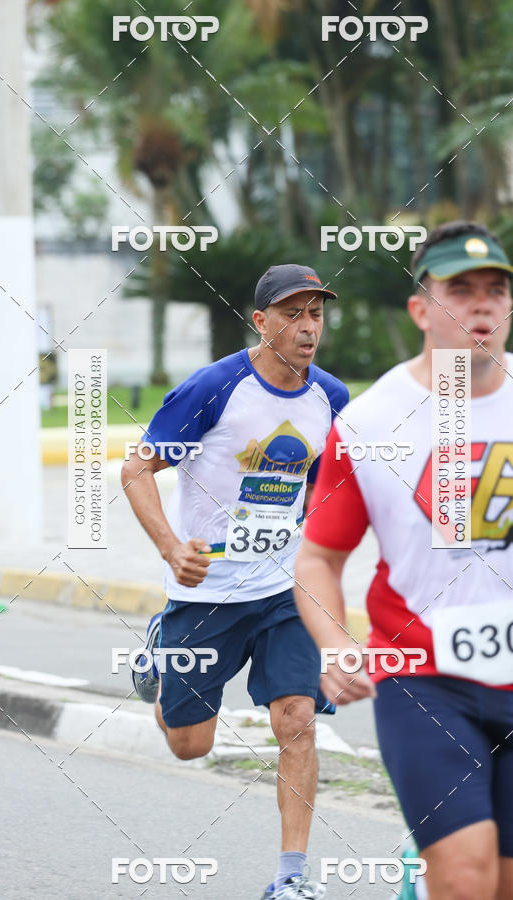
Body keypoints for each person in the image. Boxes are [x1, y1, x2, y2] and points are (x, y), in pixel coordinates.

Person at [293, 222, 513, 900]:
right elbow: (318, 558)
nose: (482, 303)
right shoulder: (368, 423)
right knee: (467, 876)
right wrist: (335, 645)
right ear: (421, 308)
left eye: (495, 290)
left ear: (509, 307)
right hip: (424, 678)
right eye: (461, 289)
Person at [121, 264, 348, 900]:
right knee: (191, 745)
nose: (308, 328)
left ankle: (291, 879)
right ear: (261, 320)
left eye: (316, 314)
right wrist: (171, 548)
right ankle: (157, 661)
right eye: (293, 314)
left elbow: (322, 490)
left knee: (297, 720)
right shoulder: (214, 388)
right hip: (207, 595)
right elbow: (135, 471)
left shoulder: (331, 396)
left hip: (284, 591)